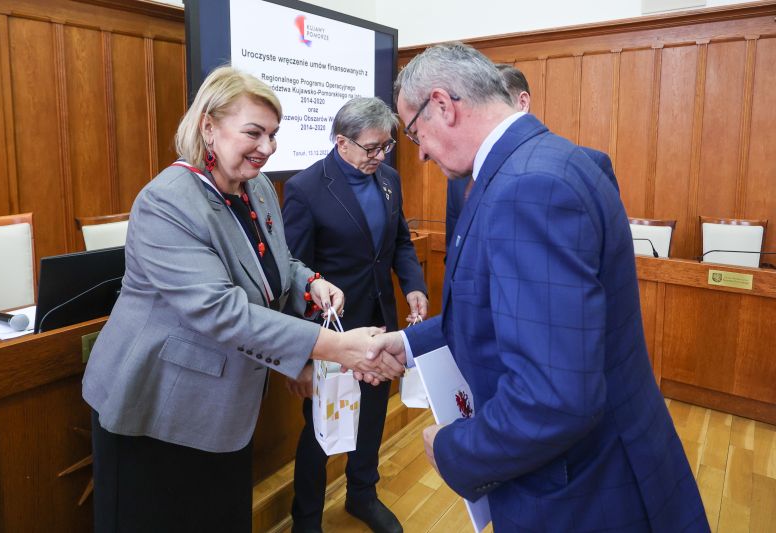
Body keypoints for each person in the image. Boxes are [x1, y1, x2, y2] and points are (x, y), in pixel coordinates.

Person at [369, 43, 709, 531]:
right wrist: (406, 344)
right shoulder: (548, 161)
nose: (419, 152)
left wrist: (454, 449)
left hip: (583, 491)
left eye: (414, 132)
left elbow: (552, 397)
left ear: (442, 104)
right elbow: (497, 311)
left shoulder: (527, 188)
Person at [81, 66, 403, 533]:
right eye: (254, 133)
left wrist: (310, 281)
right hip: (156, 406)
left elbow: (276, 259)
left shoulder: (257, 187)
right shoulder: (166, 202)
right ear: (208, 126)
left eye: (273, 134)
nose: (268, 147)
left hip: (225, 407)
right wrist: (338, 347)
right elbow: (222, 311)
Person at [282, 97, 428, 533]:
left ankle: (362, 494)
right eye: (371, 147)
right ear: (341, 142)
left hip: (380, 324)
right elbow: (293, 271)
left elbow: (399, 242)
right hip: (332, 332)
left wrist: (414, 285)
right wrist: (303, 355)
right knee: (321, 429)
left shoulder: (389, 180)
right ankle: (306, 518)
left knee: (373, 417)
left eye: (387, 146)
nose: (380, 155)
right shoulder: (306, 188)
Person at [445, 64, 619, 251]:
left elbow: (609, 248)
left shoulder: (591, 164)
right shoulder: (462, 176)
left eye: (493, 108)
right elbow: (454, 251)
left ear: (522, 103)